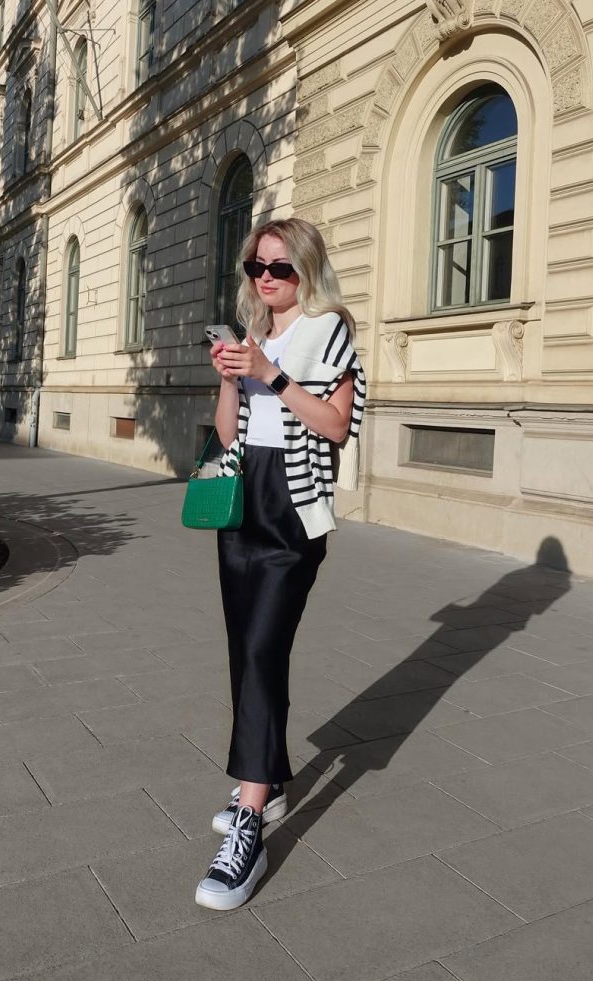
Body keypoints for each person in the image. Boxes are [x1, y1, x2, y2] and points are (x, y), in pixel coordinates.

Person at [194, 217, 366, 911]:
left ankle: (249, 825)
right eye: (256, 267)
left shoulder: (329, 330)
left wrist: (272, 374)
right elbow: (227, 433)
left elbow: (336, 427)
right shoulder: (253, 333)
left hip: (292, 507)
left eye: (280, 268)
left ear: (306, 269)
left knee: (264, 648)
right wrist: (231, 379)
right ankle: (265, 784)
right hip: (241, 500)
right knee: (247, 651)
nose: (265, 278)